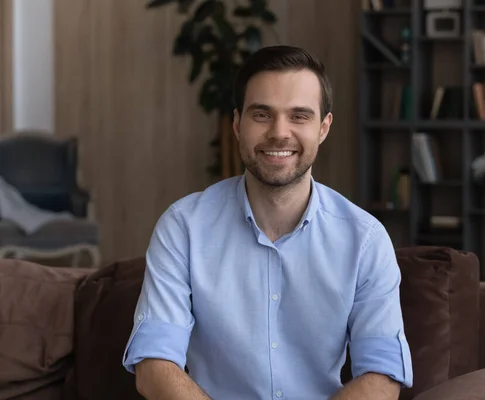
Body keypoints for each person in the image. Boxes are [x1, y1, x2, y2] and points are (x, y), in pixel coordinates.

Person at [122, 45, 413, 399]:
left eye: (299, 116)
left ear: (323, 128)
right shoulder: (183, 228)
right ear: (236, 124)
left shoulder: (365, 239)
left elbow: (382, 376)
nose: (279, 132)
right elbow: (154, 366)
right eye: (262, 114)